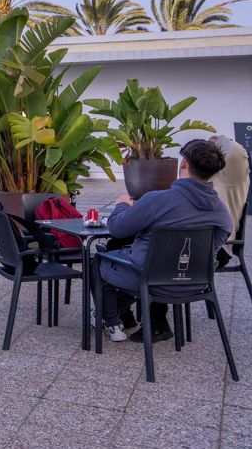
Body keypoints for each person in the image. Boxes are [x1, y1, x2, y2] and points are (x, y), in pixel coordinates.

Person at [93, 139, 233, 343]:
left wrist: (122, 205)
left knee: (97, 261)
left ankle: (111, 320)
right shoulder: (221, 211)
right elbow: (215, 247)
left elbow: (117, 228)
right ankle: (122, 316)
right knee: (136, 262)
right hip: (196, 284)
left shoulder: (158, 200)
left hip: (148, 281)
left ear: (184, 163)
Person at [209, 135, 249, 246]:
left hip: (220, 245)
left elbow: (236, 151)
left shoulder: (231, 177)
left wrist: (217, 141)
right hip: (195, 240)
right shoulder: (207, 177)